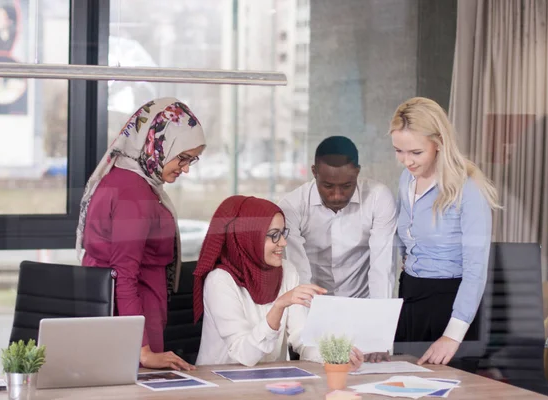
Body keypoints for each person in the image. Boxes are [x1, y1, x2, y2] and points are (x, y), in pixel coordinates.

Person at [75, 98, 206, 371]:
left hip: (124, 318)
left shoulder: (123, 177)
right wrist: (143, 351)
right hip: (133, 323)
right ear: (157, 143)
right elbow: (124, 274)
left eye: (191, 159)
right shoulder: (134, 195)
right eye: (182, 158)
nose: (186, 168)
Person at [192, 195, 364, 368]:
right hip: (221, 384)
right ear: (249, 237)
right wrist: (278, 307)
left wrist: (334, 354)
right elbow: (244, 355)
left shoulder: (287, 271)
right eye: (274, 235)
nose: (283, 242)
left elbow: (302, 337)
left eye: (282, 233)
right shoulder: (220, 281)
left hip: (270, 382)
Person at [390, 97, 500, 365]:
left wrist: (453, 335)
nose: (407, 161)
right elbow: (403, 238)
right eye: (399, 151)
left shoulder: (469, 190)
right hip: (410, 295)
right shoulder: (407, 179)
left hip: (450, 301)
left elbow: (475, 269)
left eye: (416, 153)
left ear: (438, 143)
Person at [278, 136, 397, 300]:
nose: (337, 196)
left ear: (357, 172)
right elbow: (299, 270)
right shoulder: (292, 206)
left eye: (346, 186)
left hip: (362, 301)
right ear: (314, 172)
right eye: (328, 186)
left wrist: (379, 318)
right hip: (314, 303)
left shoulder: (378, 198)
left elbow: (382, 269)